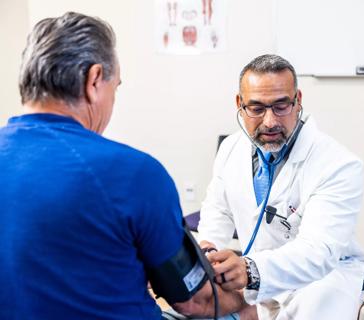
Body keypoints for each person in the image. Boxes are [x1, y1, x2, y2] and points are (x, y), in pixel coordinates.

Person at [0, 12, 245, 320]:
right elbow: (195, 301)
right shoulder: (134, 174)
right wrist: (247, 303)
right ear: (93, 81)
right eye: (115, 86)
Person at [197, 54, 364, 319]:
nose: (269, 122)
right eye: (256, 108)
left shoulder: (338, 164)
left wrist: (250, 270)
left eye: (281, 106)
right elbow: (217, 212)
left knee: (316, 306)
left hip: (325, 277)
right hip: (257, 276)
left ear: (297, 100)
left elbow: (318, 252)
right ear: (239, 104)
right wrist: (209, 251)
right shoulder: (231, 148)